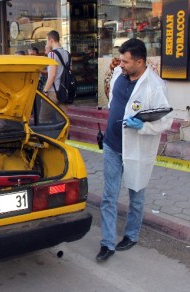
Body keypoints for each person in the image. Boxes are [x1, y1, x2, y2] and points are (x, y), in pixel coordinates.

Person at [96, 38, 172, 262]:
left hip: (136, 150)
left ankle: (131, 235)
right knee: (109, 196)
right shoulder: (120, 75)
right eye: (120, 60)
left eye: (126, 61)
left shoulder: (155, 86)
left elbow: (166, 121)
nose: (121, 64)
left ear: (140, 61)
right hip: (112, 145)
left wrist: (145, 126)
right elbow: (114, 103)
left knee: (136, 194)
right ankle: (107, 243)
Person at [41, 30, 70, 122]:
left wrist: (45, 90)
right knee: (62, 120)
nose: (47, 43)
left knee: (43, 118)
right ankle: (63, 136)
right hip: (64, 89)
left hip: (53, 91)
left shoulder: (52, 54)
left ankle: (47, 136)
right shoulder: (67, 53)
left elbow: (52, 75)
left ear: (51, 40)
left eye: (47, 41)